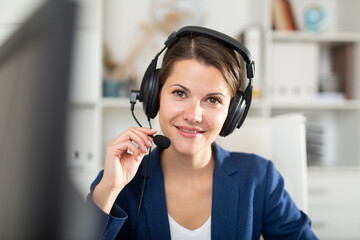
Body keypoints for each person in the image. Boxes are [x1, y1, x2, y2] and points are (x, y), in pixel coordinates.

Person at [88, 26, 318, 240]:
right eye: (180, 93)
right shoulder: (116, 182)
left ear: (233, 112)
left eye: (213, 99)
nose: (194, 115)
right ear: (154, 95)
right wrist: (108, 191)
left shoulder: (259, 179)